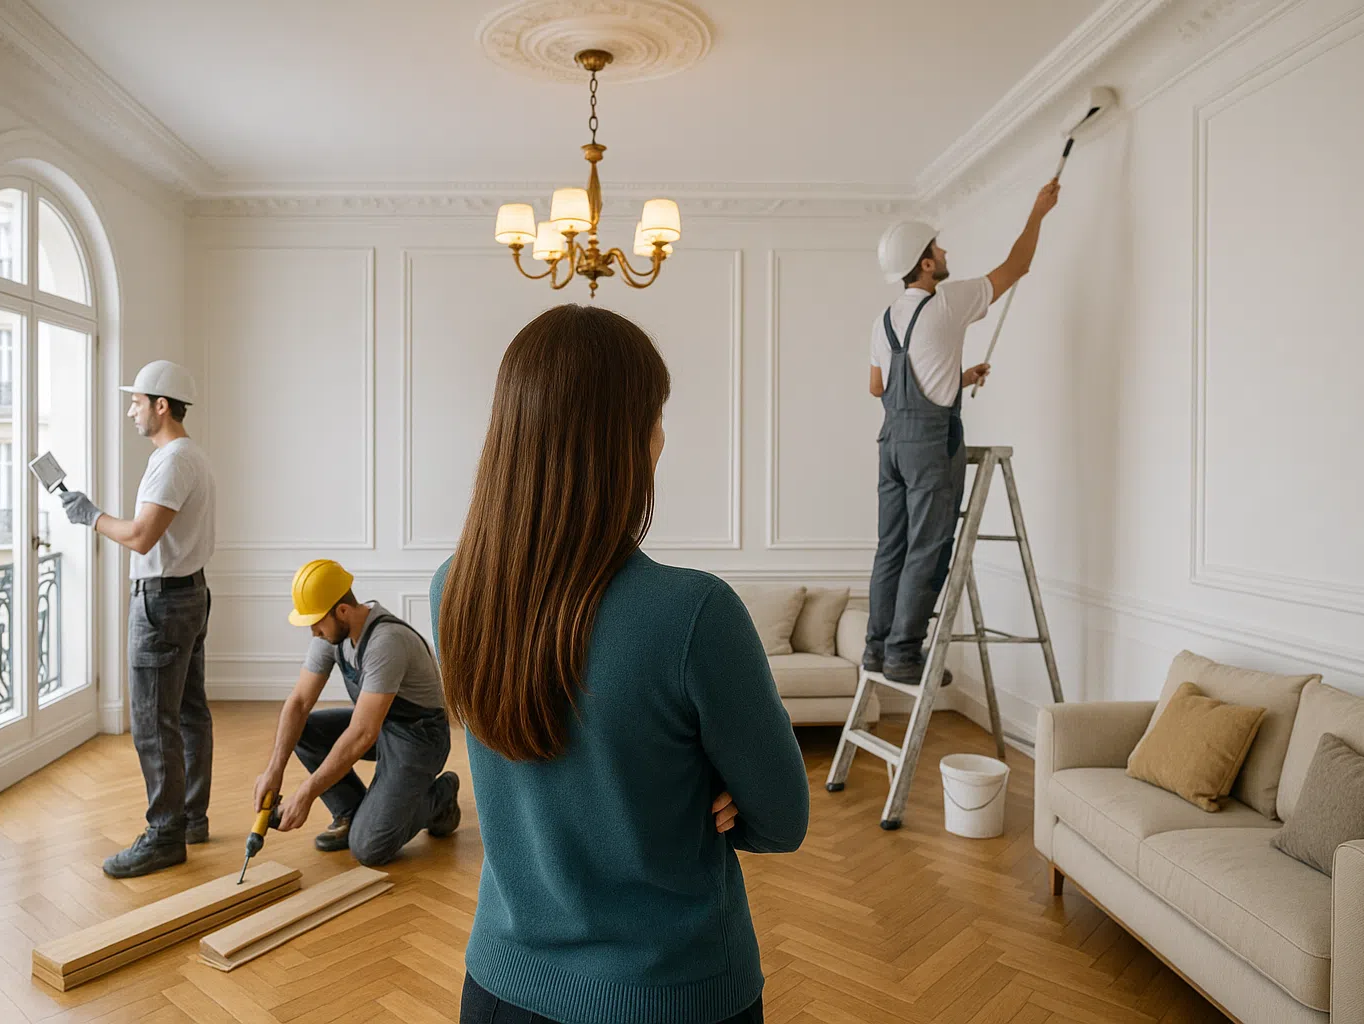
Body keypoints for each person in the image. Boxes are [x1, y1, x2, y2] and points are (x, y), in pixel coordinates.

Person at [432, 304, 809, 1024]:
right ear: (626, 439)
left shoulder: (452, 588)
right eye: (656, 416)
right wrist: (719, 785)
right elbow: (782, 821)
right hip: (672, 996)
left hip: (499, 991)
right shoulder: (695, 614)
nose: (663, 436)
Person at [863, 180, 1061, 685]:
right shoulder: (948, 302)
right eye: (937, 247)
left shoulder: (885, 318)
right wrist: (1038, 211)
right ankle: (905, 655)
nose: (945, 251)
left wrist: (959, 375)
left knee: (892, 547)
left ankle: (876, 649)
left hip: (890, 445)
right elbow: (1017, 266)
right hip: (929, 445)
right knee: (928, 546)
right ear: (926, 264)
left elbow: (877, 387)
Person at [59, 359, 217, 878]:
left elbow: (142, 536)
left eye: (136, 402)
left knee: (153, 723)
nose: (131, 411)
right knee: (190, 711)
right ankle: (190, 817)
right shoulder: (191, 455)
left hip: (163, 604)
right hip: (191, 594)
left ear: (161, 405)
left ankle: (165, 834)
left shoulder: (172, 461)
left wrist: (90, 515)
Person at [253, 559, 460, 866]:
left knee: (369, 848)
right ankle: (350, 812)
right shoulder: (331, 635)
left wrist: (307, 793)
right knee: (305, 730)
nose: (313, 632)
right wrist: (274, 768)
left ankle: (440, 797)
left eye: (316, 622)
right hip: (382, 725)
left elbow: (363, 733)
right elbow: (298, 703)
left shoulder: (386, 642)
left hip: (419, 739)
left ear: (343, 611)